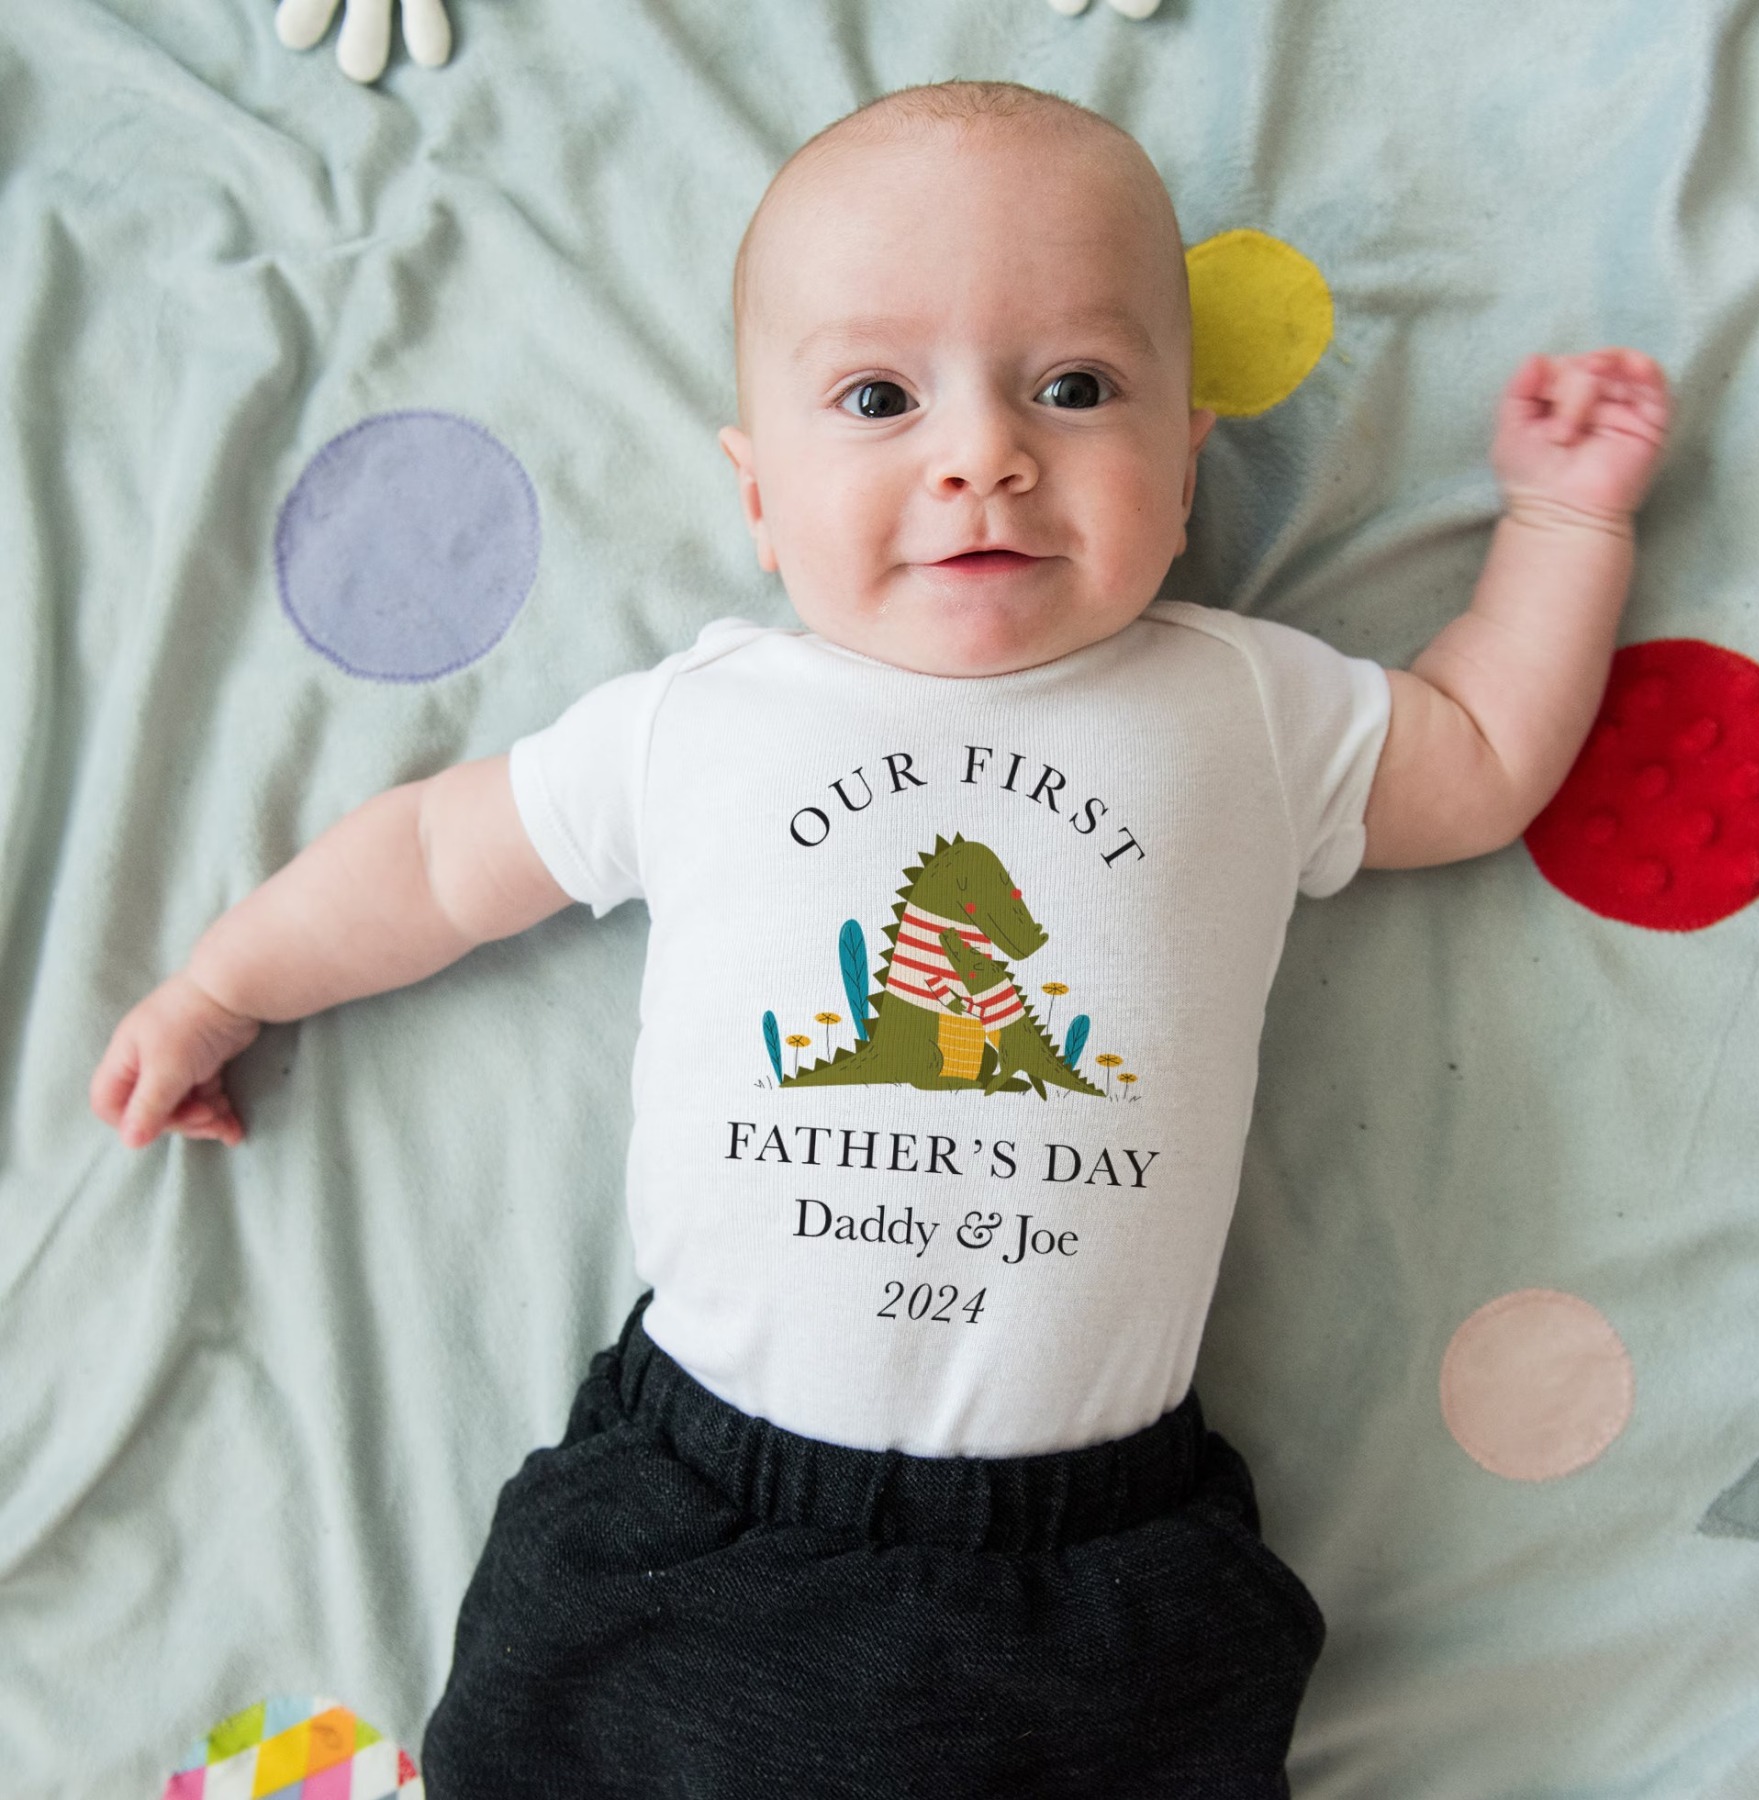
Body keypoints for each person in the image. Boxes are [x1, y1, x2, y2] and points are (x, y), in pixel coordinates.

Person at [90, 79, 1670, 1799]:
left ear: (1190, 450)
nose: (981, 451)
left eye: (1076, 387)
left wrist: (1565, 526)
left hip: (1097, 1564)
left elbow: (1484, 759)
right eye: (877, 396)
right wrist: (224, 982)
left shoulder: (1245, 703)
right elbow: (433, 860)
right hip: (700, 1512)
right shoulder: (702, 718)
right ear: (758, 496)